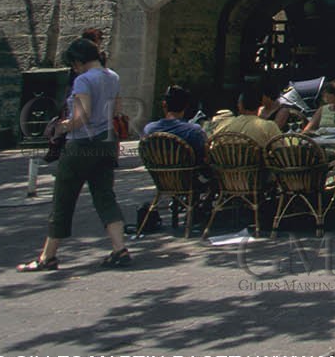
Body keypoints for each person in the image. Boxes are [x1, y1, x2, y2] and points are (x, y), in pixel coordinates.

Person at [18, 37, 131, 271]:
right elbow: (118, 109)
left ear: (78, 61)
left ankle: (48, 256)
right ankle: (120, 248)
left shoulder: (83, 80)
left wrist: (60, 126)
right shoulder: (113, 76)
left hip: (81, 145)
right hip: (106, 140)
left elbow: (82, 117)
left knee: (64, 198)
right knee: (105, 196)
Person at [143, 85, 209, 162]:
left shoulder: (149, 129)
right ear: (185, 107)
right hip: (189, 172)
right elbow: (204, 155)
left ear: (164, 105)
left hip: (157, 172)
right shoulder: (193, 130)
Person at [212, 86, 283, 149]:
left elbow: (211, 146)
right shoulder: (269, 127)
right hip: (258, 163)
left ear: (240, 106)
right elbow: (282, 150)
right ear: (260, 105)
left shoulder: (225, 124)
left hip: (225, 163)